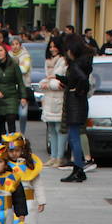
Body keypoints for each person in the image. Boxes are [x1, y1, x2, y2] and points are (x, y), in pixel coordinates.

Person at [57, 39, 92, 183]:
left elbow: (82, 80)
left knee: (74, 137)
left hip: (75, 103)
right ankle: (79, 169)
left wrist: (77, 91)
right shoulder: (84, 63)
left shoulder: (76, 64)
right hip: (80, 103)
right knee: (74, 136)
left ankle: (78, 168)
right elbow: (78, 80)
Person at [6, 133, 44, 224]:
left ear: (22, 150)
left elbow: (37, 184)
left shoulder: (29, 165)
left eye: (17, 150)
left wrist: (41, 200)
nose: (14, 154)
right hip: (10, 200)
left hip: (27, 199)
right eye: (11, 151)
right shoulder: (4, 165)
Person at [0, 42, 25, 143]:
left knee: (11, 119)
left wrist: (23, 96)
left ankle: (12, 145)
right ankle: (0, 145)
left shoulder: (14, 65)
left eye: (1, 51)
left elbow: (20, 82)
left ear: (5, 52)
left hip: (10, 97)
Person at [41, 37, 68, 166]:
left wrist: (48, 83)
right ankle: (53, 156)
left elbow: (61, 82)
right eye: (50, 47)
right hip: (49, 99)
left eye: (54, 46)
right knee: (51, 128)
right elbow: (46, 79)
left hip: (59, 99)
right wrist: (45, 83)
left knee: (59, 128)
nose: (52, 49)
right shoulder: (48, 61)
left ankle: (59, 157)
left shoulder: (63, 61)